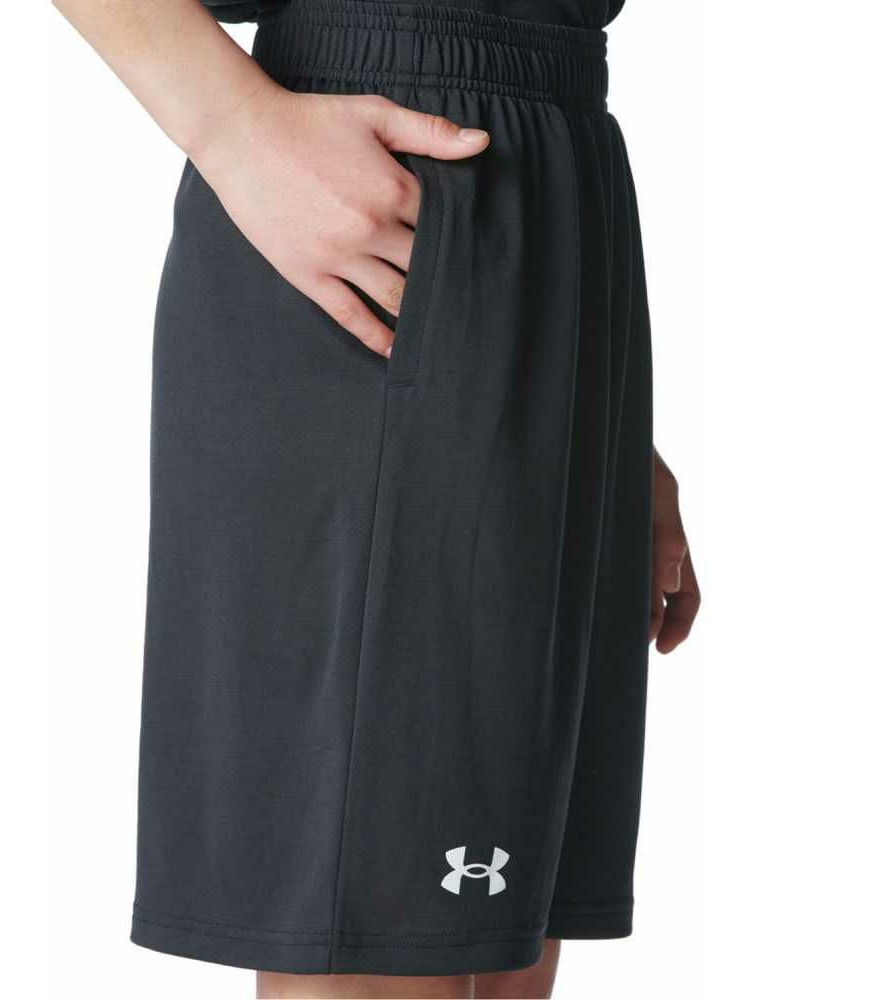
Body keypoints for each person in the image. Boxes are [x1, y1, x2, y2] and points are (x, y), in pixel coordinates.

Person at [53, 0, 700, 996]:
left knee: (501, 948)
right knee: (388, 946)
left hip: (558, 191)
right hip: (378, 188)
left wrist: (606, 425)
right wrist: (229, 121)